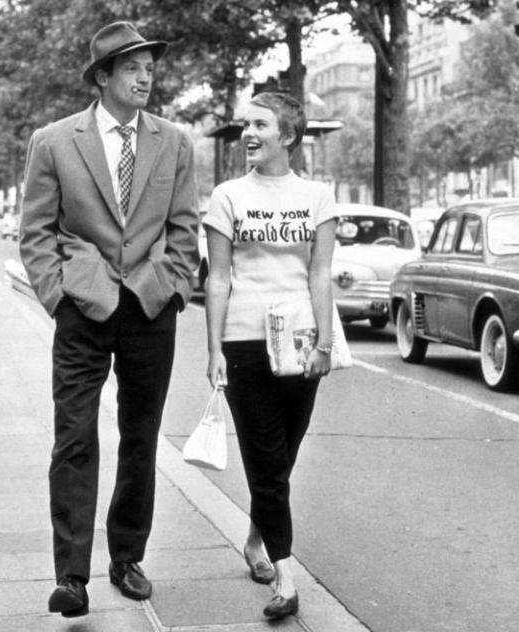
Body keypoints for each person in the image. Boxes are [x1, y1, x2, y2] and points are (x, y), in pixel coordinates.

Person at [19, 21, 198, 618]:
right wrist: (58, 295)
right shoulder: (53, 142)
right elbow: (37, 231)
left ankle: (127, 559)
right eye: (132, 68)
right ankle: (72, 576)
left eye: (150, 67)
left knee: (141, 439)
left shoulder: (174, 141)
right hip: (83, 308)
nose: (146, 76)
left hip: (149, 307)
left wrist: (169, 286)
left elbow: (184, 229)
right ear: (102, 77)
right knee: (73, 438)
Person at [203, 92, 337, 620]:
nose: (248, 134)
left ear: (289, 135)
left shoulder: (318, 196)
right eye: (244, 125)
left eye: (260, 125)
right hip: (242, 341)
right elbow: (217, 277)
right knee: (264, 456)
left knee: (283, 455)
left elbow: (319, 273)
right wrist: (212, 346)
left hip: (301, 341)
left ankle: (256, 541)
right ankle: (285, 575)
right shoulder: (227, 196)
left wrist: (326, 343)